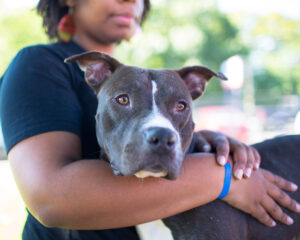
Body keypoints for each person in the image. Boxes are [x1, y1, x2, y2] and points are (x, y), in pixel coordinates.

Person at [0, 0, 299, 239]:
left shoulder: (152, 80)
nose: (130, 1)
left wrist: (200, 143)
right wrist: (223, 178)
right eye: (123, 100)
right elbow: (50, 198)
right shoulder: (39, 65)